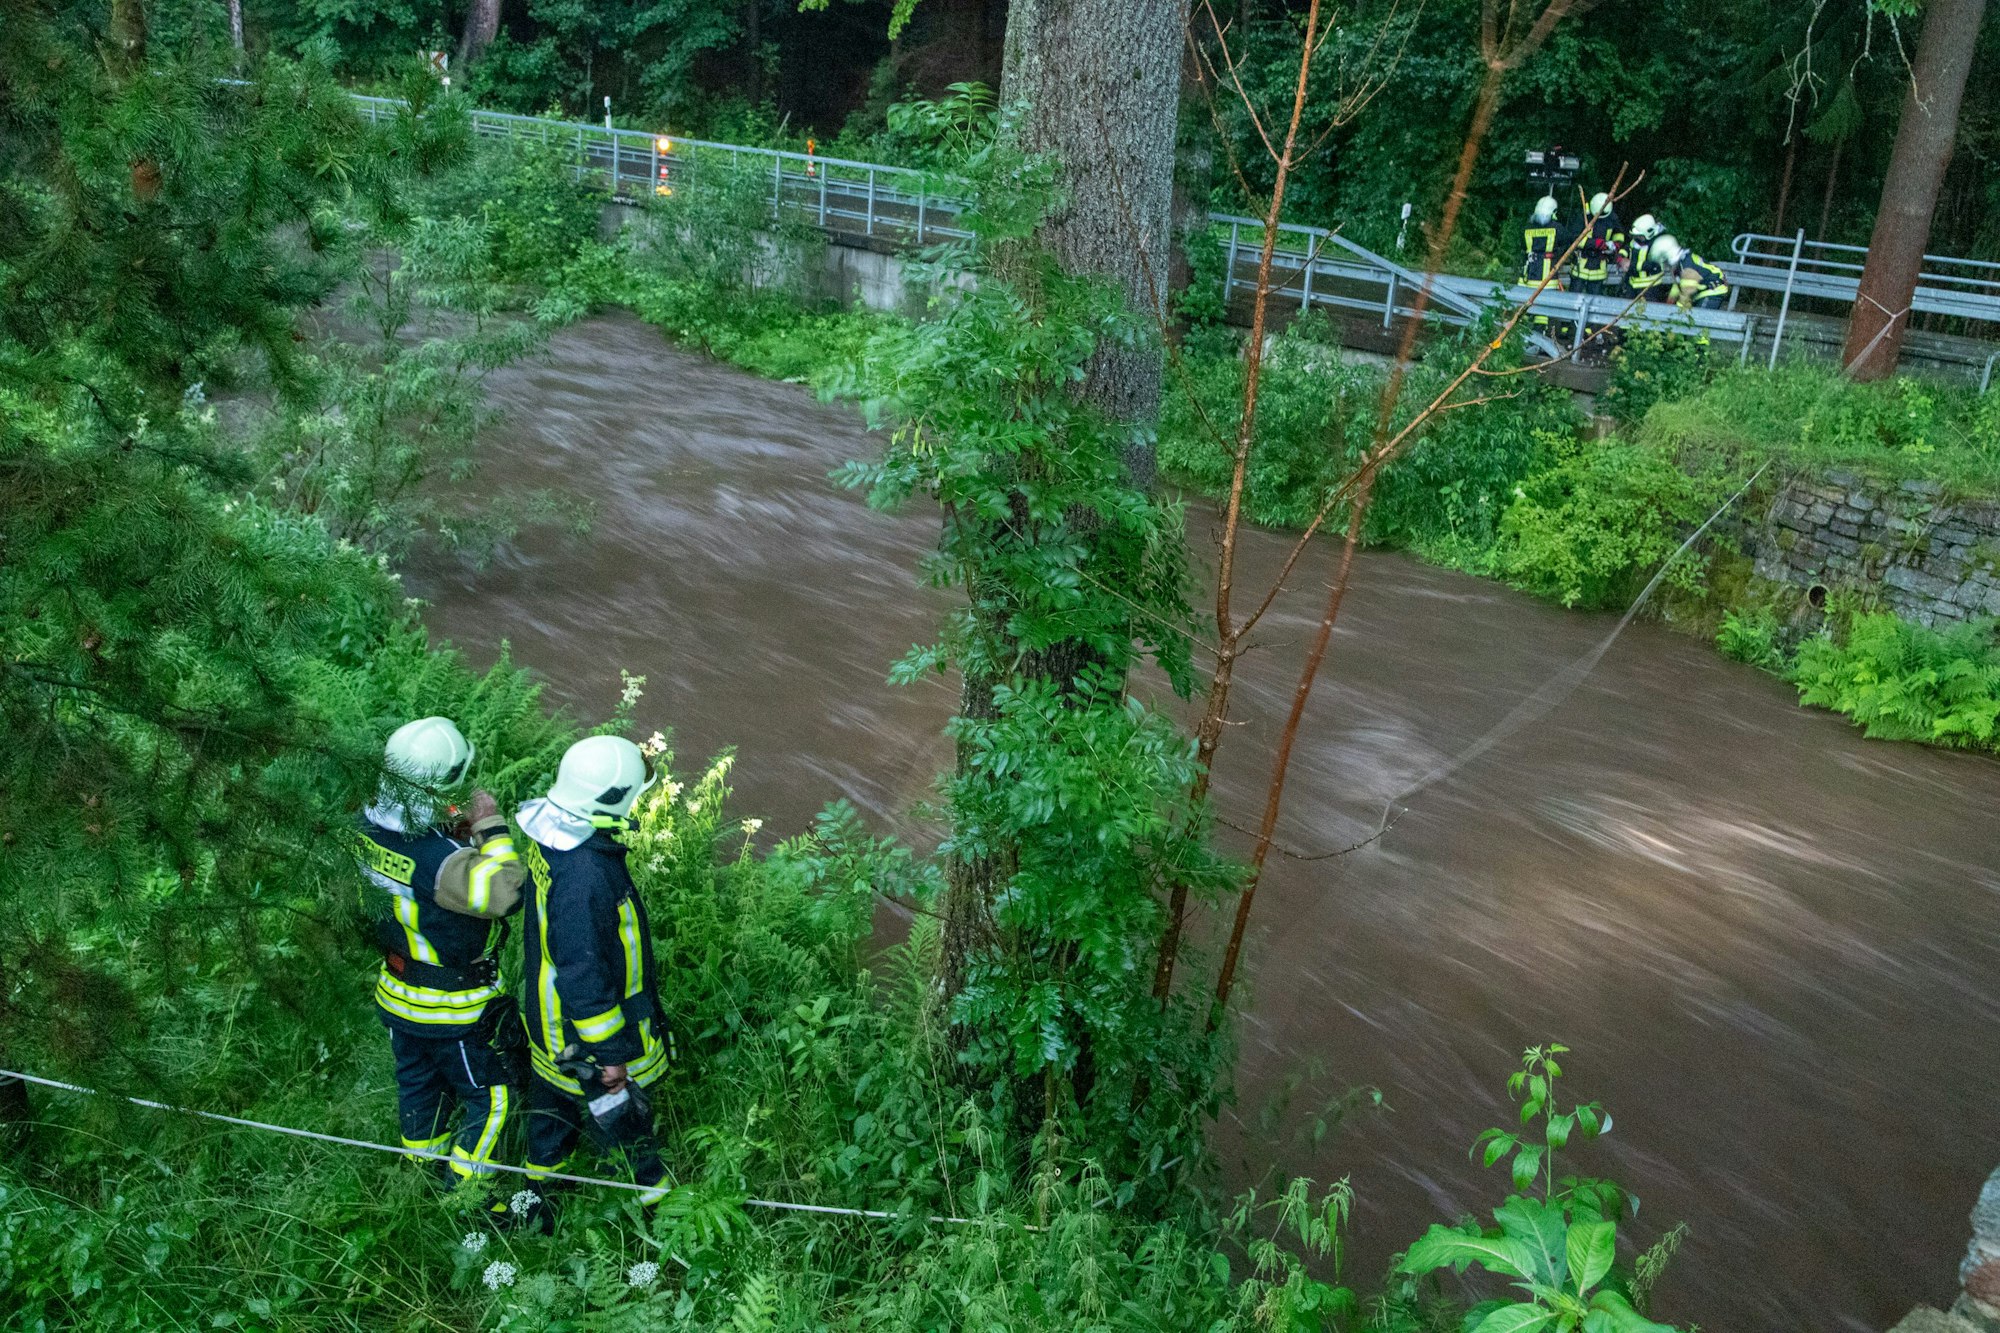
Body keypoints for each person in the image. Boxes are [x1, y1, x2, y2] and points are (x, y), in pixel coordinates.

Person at [354, 717, 525, 1196]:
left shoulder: (363, 828)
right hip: (453, 1009)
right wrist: (489, 823)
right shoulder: (443, 862)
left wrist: (447, 824)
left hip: (397, 993)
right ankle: (466, 1199)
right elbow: (506, 891)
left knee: (418, 1088)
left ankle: (419, 1179)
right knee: (491, 1099)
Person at [516, 735, 673, 1224]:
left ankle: (535, 1205)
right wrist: (609, 1057)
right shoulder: (587, 873)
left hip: (548, 1022)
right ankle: (660, 1216)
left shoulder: (555, 833)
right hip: (583, 1034)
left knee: (551, 1113)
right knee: (622, 1126)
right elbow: (584, 974)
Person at [1649, 235, 1731, 310]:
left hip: (1712, 291)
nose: (1665, 265)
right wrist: (1671, 298)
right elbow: (1678, 284)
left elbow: (1687, 293)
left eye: (1664, 261)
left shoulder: (1686, 268)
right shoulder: (1681, 262)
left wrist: (1677, 312)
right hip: (1705, 290)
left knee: (1700, 320)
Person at [1571, 191, 1624, 296]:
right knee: (1574, 297)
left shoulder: (1611, 218)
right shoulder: (1584, 217)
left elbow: (1619, 233)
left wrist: (1616, 244)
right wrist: (1596, 243)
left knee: (1595, 300)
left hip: (1599, 268)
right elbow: (1574, 238)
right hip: (1581, 266)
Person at [1521, 194, 1565, 287]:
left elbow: (1522, 246)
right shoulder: (1558, 228)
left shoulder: (1527, 227)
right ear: (1554, 211)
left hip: (1529, 273)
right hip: (1549, 278)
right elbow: (1564, 245)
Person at [1624, 214, 1667, 299]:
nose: (1637, 238)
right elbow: (1628, 247)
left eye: (1640, 236)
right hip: (1633, 284)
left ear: (1648, 233)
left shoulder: (1658, 244)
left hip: (1650, 288)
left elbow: (1653, 265)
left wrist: (1631, 264)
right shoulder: (1636, 240)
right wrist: (1621, 257)